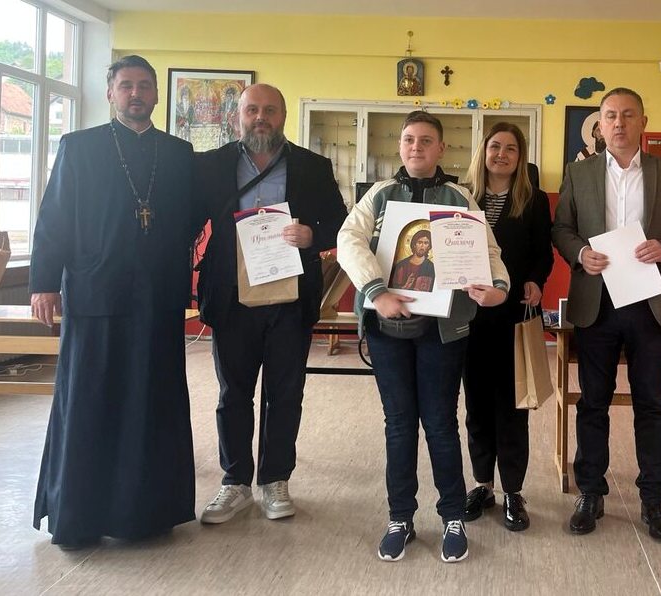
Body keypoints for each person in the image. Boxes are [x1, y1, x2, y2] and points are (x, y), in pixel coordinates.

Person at [30, 55, 201, 549]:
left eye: (144, 86)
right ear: (110, 93)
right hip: (95, 294)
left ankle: (148, 514)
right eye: (126, 85)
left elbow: (191, 217)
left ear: (156, 94)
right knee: (89, 399)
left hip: (157, 298)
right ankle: (78, 517)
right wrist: (44, 282)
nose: (136, 94)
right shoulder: (79, 147)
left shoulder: (178, 153)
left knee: (152, 399)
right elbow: (54, 218)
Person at [337, 111, 510, 563]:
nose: (416, 147)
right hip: (387, 328)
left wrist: (497, 287)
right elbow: (348, 240)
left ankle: (452, 515)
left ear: (441, 149)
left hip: (441, 330)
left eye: (426, 141)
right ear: (400, 146)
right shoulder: (378, 194)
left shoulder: (459, 197)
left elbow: (488, 250)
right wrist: (376, 292)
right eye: (409, 139)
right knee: (399, 424)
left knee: (439, 422)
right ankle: (400, 518)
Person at [552, 87, 661, 543]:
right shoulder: (578, 173)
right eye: (611, 116)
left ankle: (654, 500)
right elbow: (562, 228)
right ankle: (590, 493)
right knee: (592, 402)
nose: (619, 123)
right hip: (596, 304)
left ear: (643, 123)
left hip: (649, 304)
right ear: (599, 125)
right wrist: (580, 253)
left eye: (628, 115)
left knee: (651, 404)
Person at [196, 83, 347, 525]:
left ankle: (276, 479)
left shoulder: (312, 166)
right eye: (252, 110)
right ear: (238, 116)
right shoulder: (211, 165)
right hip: (232, 297)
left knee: (285, 393)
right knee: (233, 393)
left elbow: (339, 222)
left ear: (283, 116)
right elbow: (185, 222)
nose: (260, 117)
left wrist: (313, 235)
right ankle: (235, 482)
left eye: (270, 110)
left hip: (289, 297)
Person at [460, 122, 554, 531]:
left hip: (514, 313)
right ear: (483, 152)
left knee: (513, 407)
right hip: (470, 316)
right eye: (495, 146)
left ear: (521, 156)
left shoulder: (534, 199)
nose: (501, 154)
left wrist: (535, 279)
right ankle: (483, 485)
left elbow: (543, 252)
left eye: (510, 149)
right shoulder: (463, 195)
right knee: (477, 406)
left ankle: (513, 491)